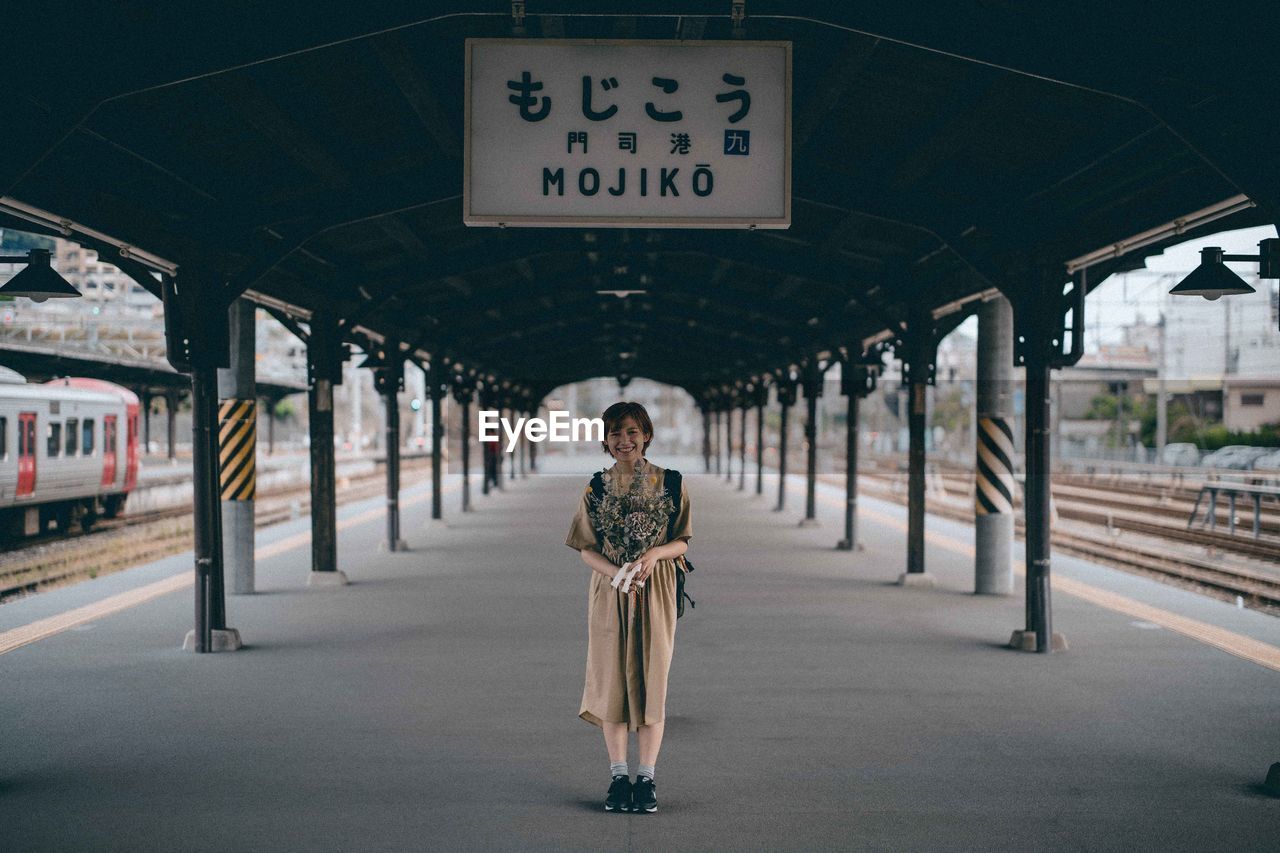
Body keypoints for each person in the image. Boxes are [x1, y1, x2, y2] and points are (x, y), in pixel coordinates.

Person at [565, 401, 691, 814]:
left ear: (647, 435)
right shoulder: (595, 488)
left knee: (654, 681)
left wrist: (654, 555)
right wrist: (616, 572)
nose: (625, 440)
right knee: (613, 682)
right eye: (616, 433)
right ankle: (620, 776)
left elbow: (683, 542)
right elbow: (586, 549)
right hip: (610, 592)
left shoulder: (671, 482)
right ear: (605, 440)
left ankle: (648, 778)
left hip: (655, 590)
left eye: (633, 432)